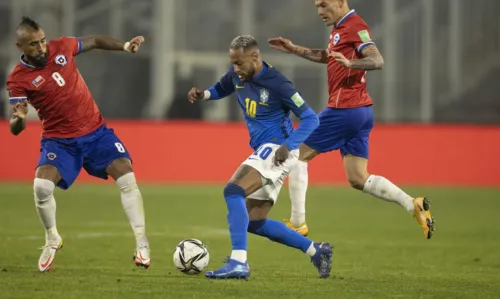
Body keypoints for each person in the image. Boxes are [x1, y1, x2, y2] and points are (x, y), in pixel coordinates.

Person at [268, 0, 435, 239]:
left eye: (324, 5)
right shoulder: (339, 29)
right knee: (358, 178)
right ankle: (412, 204)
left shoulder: (354, 25)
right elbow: (328, 57)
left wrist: (352, 63)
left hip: (344, 108)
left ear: (340, 2)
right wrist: (294, 49)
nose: (319, 12)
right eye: (316, 6)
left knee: (296, 154)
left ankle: (297, 223)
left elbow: (377, 60)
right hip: (361, 111)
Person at [6, 16, 151, 272]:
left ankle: (142, 243)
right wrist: (18, 119)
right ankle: (52, 237)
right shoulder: (18, 79)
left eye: (42, 41)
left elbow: (94, 40)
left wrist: (126, 45)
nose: (41, 48)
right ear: (20, 47)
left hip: (96, 133)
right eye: (33, 44)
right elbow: (15, 130)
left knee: (127, 177)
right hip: (59, 141)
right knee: (41, 186)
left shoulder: (61, 47)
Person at [188, 35, 333, 279]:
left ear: (255, 56)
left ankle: (238, 262)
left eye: (239, 63)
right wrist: (203, 95)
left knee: (233, 190)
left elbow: (311, 118)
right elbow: (221, 88)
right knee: (254, 221)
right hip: (266, 150)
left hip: (276, 148)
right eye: (232, 63)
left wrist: (289, 145)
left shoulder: (278, 83)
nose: (235, 69)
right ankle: (316, 250)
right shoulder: (237, 75)